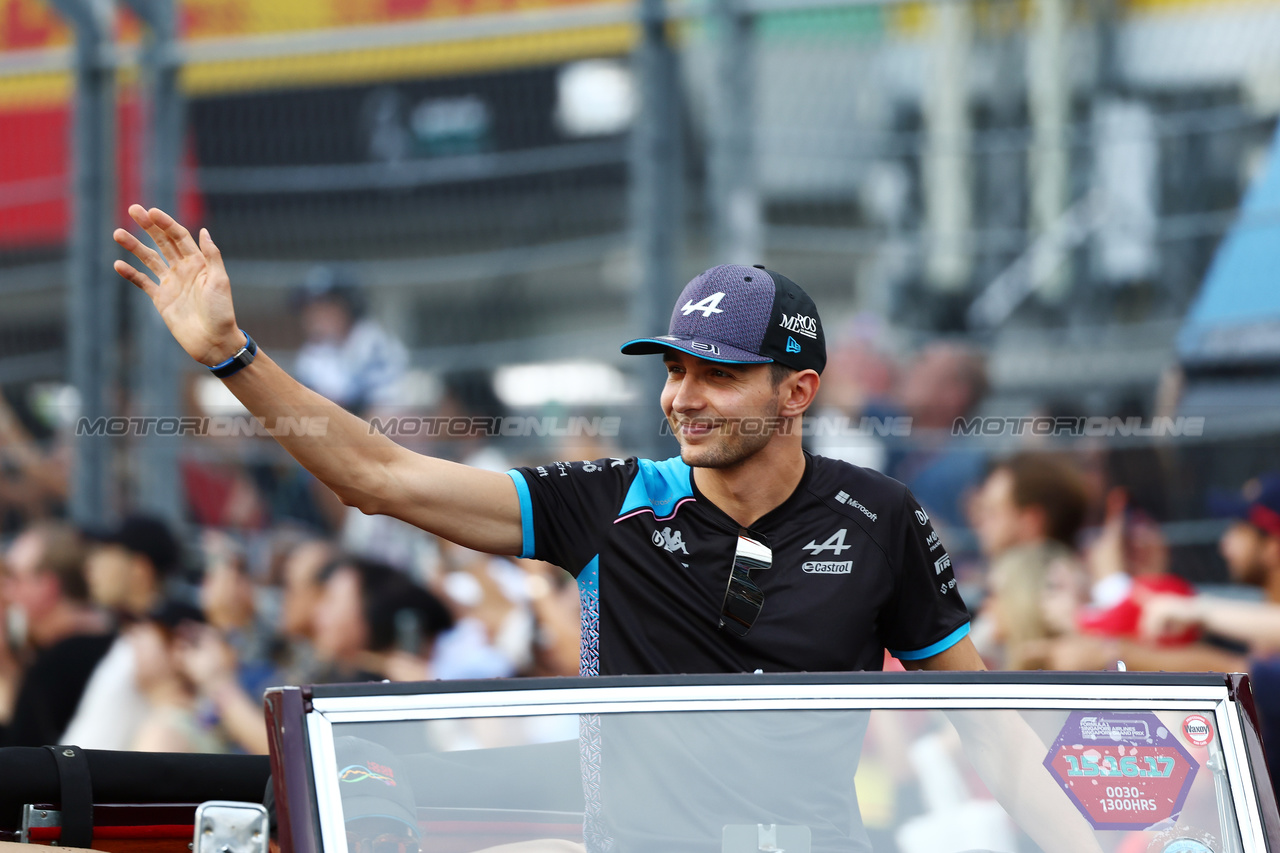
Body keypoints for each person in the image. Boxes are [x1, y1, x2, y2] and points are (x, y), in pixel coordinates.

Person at [112, 206, 1099, 853]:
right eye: (671, 369)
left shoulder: (876, 515)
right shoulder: (615, 499)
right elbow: (379, 476)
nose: (681, 396)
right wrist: (235, 357)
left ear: (797, 391)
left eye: (715, 372)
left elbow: (993, 730)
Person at [0, 522, 113, 746]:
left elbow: (20, 761)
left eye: (15, 578)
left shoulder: (56, 666)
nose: (6, 591)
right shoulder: (112, 639)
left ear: (48, 586)